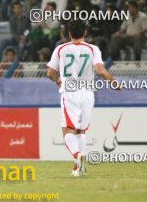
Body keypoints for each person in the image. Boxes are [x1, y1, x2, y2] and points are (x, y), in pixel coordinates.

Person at [46, 20, 119, 177]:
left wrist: (58, 80)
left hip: (70, 93)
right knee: (80, 130)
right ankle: (78, 167)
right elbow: (101, 70)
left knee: (67, 130)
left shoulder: (61, 49)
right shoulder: (93, 49)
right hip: (87, 94)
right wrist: (114, 83)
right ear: (85, 32)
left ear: (69, 33)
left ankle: (77, 155)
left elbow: (50, 73)